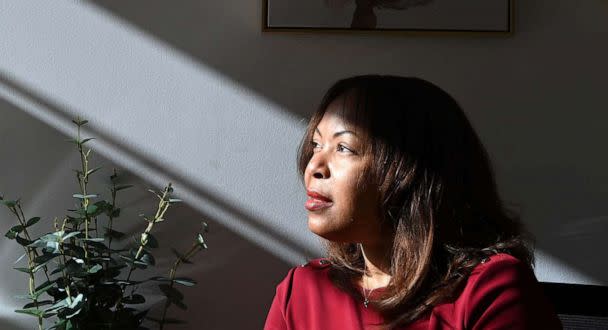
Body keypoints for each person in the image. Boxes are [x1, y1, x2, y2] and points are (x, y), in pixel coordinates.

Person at [264, 75, 562, 329]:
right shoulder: (302, 290)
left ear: (411, 171)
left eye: (344, 147)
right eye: (316, 144)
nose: (314, 166)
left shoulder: (491, 290)